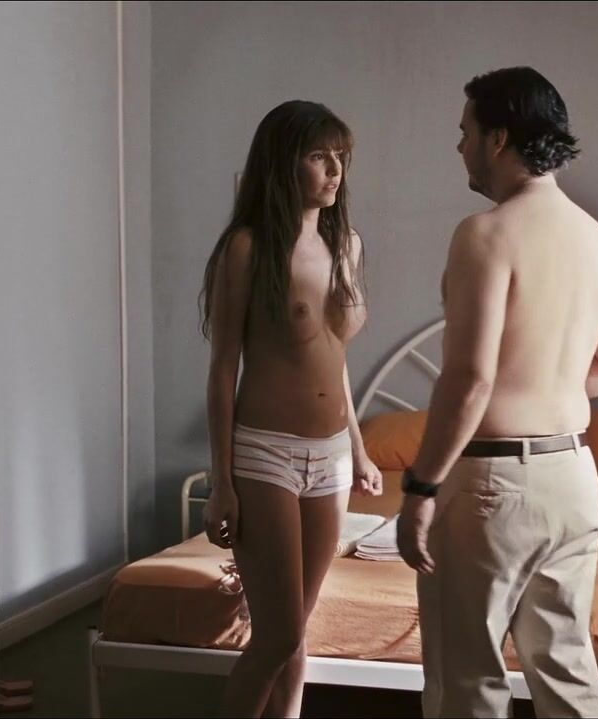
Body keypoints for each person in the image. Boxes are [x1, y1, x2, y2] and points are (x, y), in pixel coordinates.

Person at [396, 67, 598, 718]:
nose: (459, 147)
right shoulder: (596, 237)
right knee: (566, 676)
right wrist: (544, 385)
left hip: (492, 486)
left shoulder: (485, 233)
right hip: (572, 477)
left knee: (468, 683)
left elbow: (469, 379)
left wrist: (420, 487)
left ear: (498, 138)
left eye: (465, 132)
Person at [199, 99, 383, 718]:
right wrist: (222, 481)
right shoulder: (248, 249)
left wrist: (357, 446)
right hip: (265, 453)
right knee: (276, 637)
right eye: (318, 156)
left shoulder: (347, 245)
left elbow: (334, 358)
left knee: (296, 636)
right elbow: (223, 367)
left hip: (331, 458)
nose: (334, 170)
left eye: (340, 157)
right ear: (283, 163)